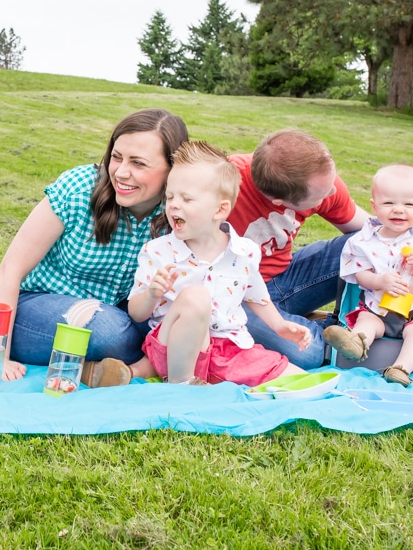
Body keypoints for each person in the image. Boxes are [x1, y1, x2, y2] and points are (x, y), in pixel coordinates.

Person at [225, 128, 413, 369]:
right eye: (322, 195)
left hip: (288, 278)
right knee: (304, 355)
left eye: (332, 182)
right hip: (232, 295)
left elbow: (376, 229)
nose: (333, 192)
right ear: (279, 201)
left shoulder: (322, 182)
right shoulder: (224, 180)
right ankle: (343, 333)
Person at [0, 108, 189, 383]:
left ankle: (95, 368)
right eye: (117, 157)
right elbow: (10, 270)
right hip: (40, 311)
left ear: (172, 169)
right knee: (111, 332)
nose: (121, 172)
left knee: (192, 317)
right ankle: (148, 361)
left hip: (125, 309)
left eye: (139, 163)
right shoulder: (79, 188)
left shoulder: (177, 209)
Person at [127, 141, 312, 386]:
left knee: (300, 379)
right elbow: (137, 313)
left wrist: (279, 326)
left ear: (220, 209)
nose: (173, 204)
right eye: (170, 196)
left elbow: (257, 296)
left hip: (230, 350)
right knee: (196, 297)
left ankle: (202, 379)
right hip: (174, 350)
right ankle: (181, 385)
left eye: (187, 199)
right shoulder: (159, 251)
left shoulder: (243, 252)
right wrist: (152, 294)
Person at [324, 164, 413, 386]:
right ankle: (356, 343)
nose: (398, 210)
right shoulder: (364, 240)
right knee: (366, 320)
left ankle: (400, 369)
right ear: (374, 206)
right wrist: (379, 281)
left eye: (409, 204)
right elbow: (359, 276)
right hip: (377, 308)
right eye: (388, 203)